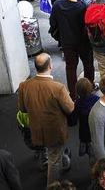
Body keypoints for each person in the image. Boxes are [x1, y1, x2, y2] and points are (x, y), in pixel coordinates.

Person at [17, 53, 74, 185]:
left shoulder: (23, 86)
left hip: (35, 129)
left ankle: (44, 161)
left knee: (46, 150)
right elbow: (70, 109)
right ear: (50, 66)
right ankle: (52, 185)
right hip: (54, 131)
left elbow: (23, 109)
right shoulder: (58, 88)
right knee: (54, 160)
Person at [49, 0, 94, 98]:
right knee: (88, 64)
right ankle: (89, 88)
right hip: (84, 41)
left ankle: (73, 94)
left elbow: (53, 23)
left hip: (67, 42)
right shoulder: (83, 6)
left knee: (70, 68)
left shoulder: (58, 5)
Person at [69, 78, 99, 162]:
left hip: (84, 131)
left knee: (90, 150)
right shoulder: (96, 99)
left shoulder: (77, 103)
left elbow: (73, 119)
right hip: (95, 129)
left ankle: (92, 163)